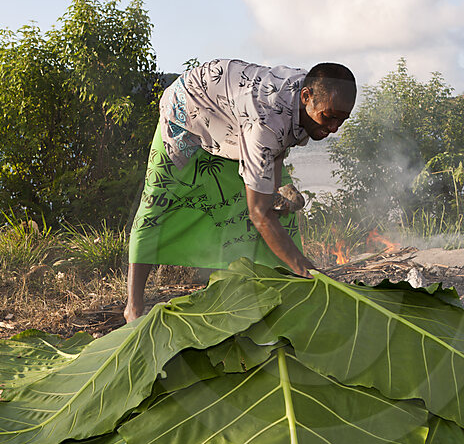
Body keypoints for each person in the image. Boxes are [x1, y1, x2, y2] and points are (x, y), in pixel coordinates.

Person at [124, 59, 356, 322]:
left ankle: (276, 290)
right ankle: (133, 308)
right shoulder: (265, 122)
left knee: (277, 211)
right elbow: (259, 213)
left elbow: (280, 143)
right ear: (306, 97)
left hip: (231, 121)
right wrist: (310, 272)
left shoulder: (310, 92)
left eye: (342, 119)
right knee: (157, 204)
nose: (335, 127)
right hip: (186, 109)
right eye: (329, 117)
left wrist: (277, 191)